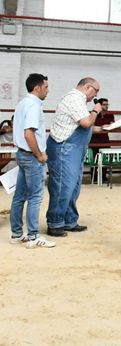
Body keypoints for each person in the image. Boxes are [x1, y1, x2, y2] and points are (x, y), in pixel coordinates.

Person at [46, 77, 102, 237]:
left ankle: (69, 220)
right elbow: (85, 123)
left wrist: (101, 128)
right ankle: (55, 222)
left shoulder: (79, 101)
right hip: (65, 148)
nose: (95, 95)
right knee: (63, 185)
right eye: (96, 90)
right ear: (87, 87)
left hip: (74, 149)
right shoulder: (74, 98)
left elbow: (80, 125)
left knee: (73, 186)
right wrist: (96, 110)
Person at [10, 73, 55, 248]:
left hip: (21, 154)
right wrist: (39, 155)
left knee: (19, 196)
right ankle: (33, 237)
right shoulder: (34, 106)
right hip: (31, 155)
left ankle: (16, 233)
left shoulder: (22, 103)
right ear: (37, 88)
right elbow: (29, 133)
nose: (47, 90)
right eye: (45, 87)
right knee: (35, 197)